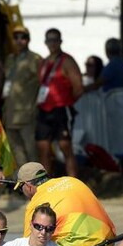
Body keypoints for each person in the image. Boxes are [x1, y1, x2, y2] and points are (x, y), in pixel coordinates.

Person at [15, 161, 115, 246]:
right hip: (108, 240)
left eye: (20, 189)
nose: (22, 192)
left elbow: (29, 244)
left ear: (27, 186)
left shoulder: (36, 203)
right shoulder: (72, 180)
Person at [36, 28, 83, 177]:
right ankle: (45, 187)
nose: (52, 43)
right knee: (43, 148)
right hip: (44, 110)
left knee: (65, 147)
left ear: (60, 41)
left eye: (55, 39)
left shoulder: (67, 61)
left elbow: (78, 87)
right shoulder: (43, 62)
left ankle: (73, 184)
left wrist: (68, 102)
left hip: (61, 109)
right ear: (45, 42)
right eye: (49, 40)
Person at [2, 25, 42, 166]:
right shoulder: (10, 59)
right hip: (10, 113)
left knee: (31, 151)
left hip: (27, 113)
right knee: (16, 151)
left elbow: (41, 83)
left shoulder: (35, 59)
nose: (19, 41)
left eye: (23, 37)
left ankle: (38, 183)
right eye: (16, 37)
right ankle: (24, 184)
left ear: (28, 39)